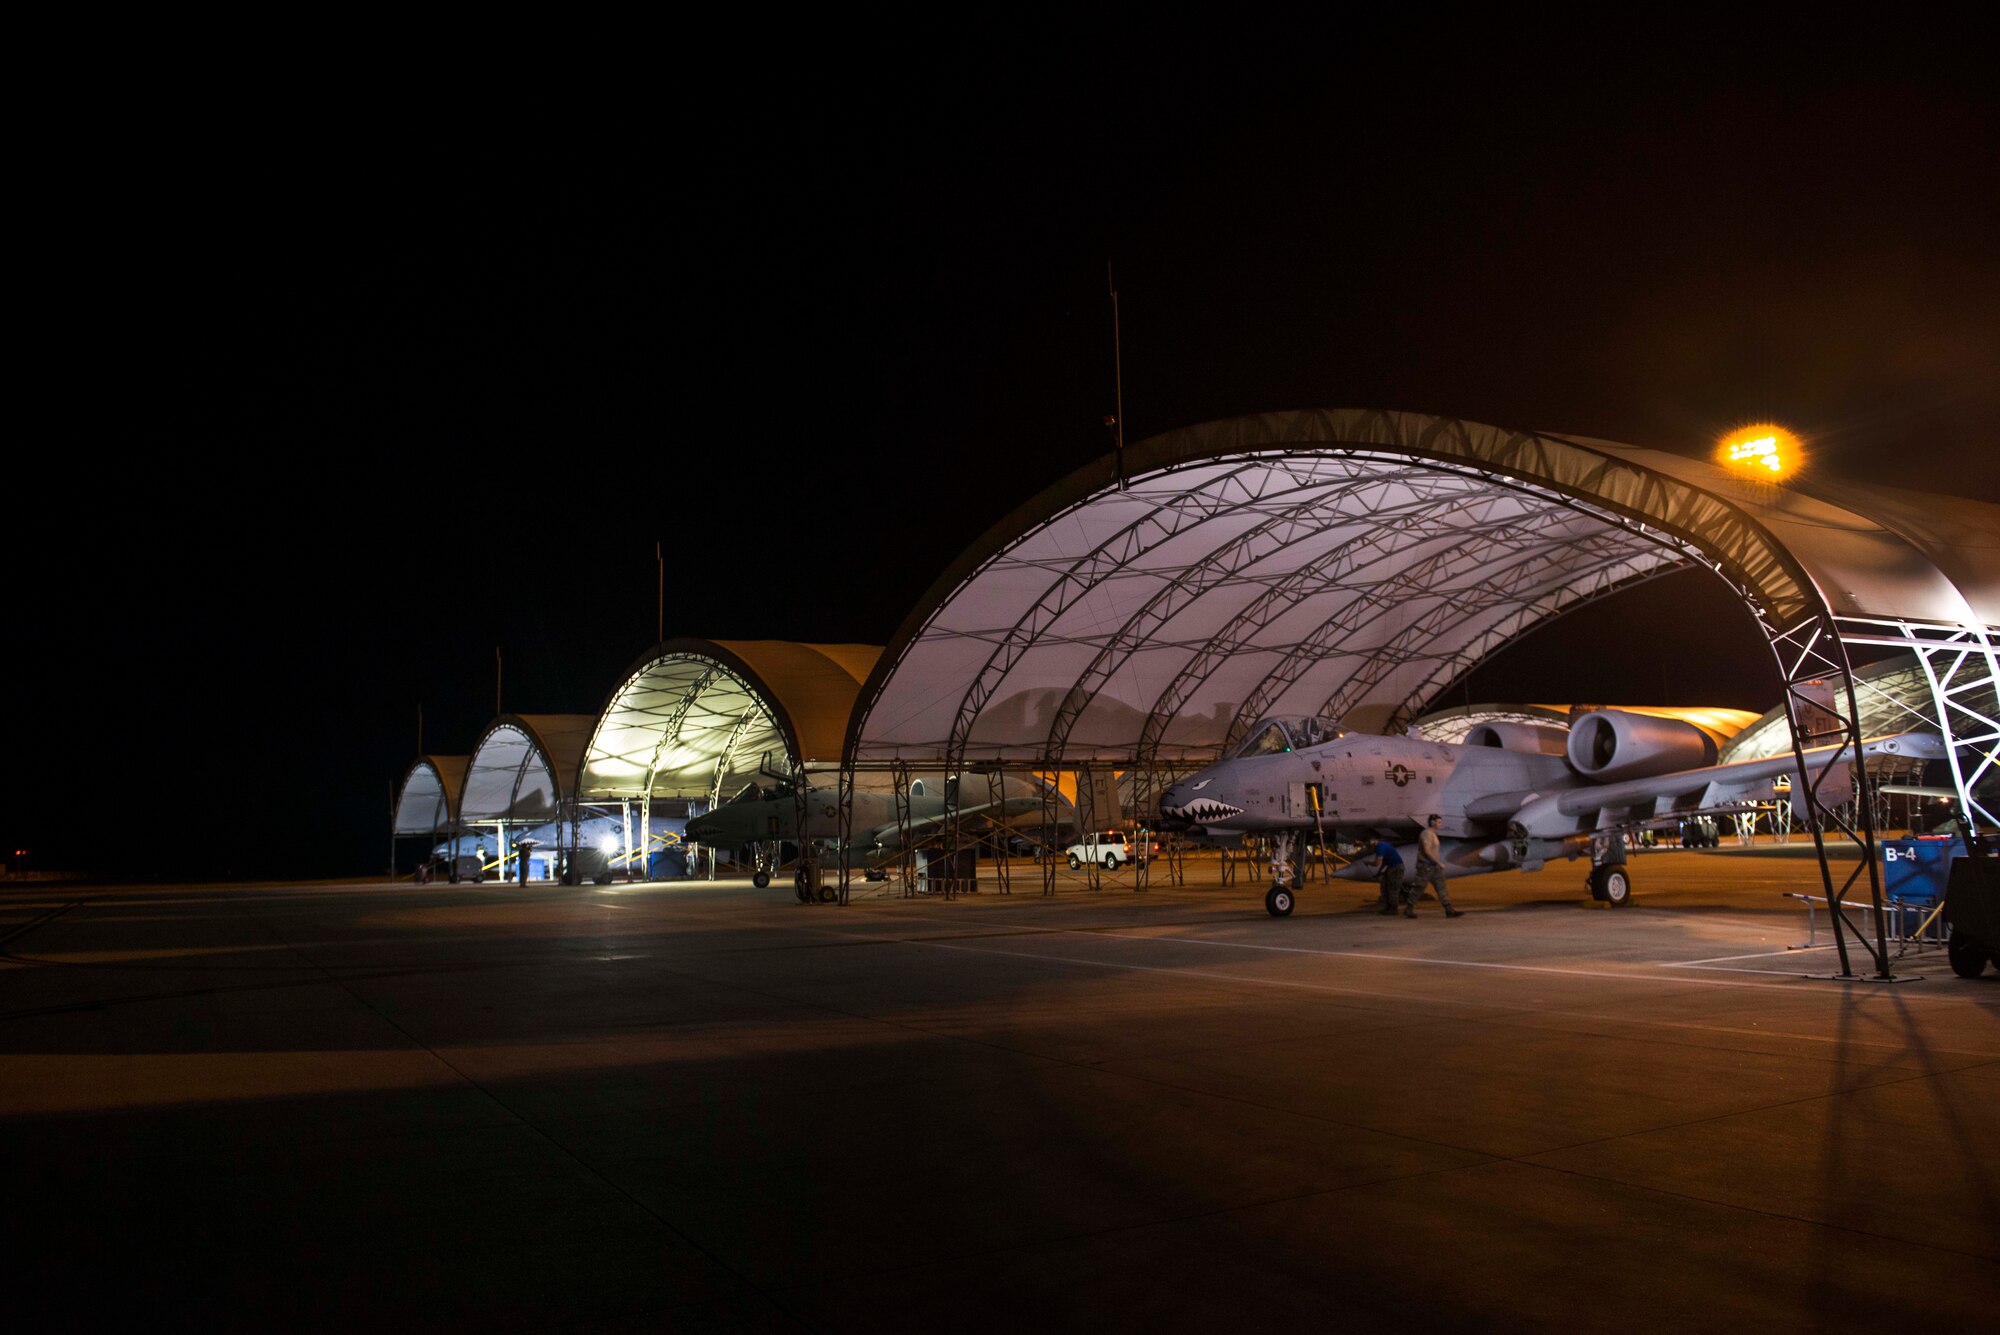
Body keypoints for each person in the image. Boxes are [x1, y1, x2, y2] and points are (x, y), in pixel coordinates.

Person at [1415, 815, 1464, 918]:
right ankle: (1409, 908)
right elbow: (1427, 850)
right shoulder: (1426, 834)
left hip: (1433, 866)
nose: (1440, 824)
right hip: (1426, 866)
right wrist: (1438, 862)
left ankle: (1449, 909)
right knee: (1419, 887)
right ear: (1432, 823)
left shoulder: (1433, 833)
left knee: (1441, 887)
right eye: (1439, 822)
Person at [1366, 837, 1405, 915]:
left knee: (1392, 888)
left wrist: (1368, 863)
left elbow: (1377, 863)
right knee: (1385, 887)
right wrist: (1379, 872)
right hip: (1392, 867)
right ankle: (1388, 907)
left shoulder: (1381, 846)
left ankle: (1393, 909)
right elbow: (1384, 862)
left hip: (1395, 868)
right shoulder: (1383, 845)